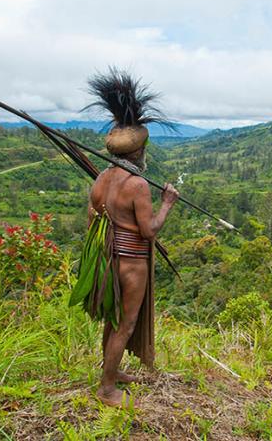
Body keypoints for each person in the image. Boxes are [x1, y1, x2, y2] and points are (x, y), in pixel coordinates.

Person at [69, 68, 178, 407]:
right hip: (130, 263)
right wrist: (167, 204)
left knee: (113, 318)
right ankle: (106, 389)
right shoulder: (138, 185)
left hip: (106, 260)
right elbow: (149, 230)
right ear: (138, 153)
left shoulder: (102, 177)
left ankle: (111, 373)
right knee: (124, 324)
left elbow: (93, 219)